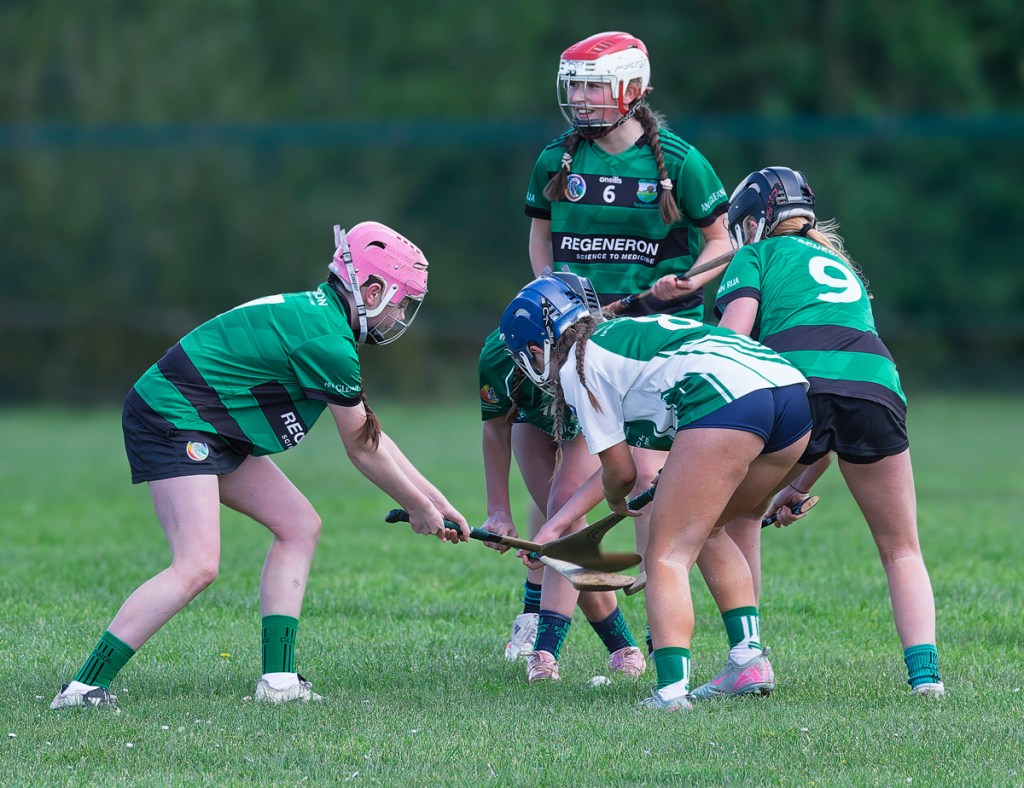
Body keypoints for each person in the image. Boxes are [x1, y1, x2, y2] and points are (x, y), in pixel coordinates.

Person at [49, 221, 470, 709]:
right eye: (400, 302)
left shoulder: (325, 323)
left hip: (211, 422)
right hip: (173, 415)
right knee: (197, 565)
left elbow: (370, 434)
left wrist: (435, 501)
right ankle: (83, 688)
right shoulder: (327, 342)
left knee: (299, 525)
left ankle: (279, 682)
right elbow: (361, 448)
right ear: (373, 291)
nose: (400, 315)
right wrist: (417, 507)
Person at [499, 274, 812, 710]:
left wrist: (616, 500)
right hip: (791, 396)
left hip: (729, 400)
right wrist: (556, 527)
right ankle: (748, 660)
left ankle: (671, 691)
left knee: (667, 553)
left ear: (536, 349)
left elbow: (620, 472)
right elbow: (619, 465)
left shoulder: (579, 367)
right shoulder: (622, 339)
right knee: (709, 528)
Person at [525, 31, 733, 640]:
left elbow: (721, 240)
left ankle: (660, 637)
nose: (580, 99)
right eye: (575, 87)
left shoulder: (681, 161)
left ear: (633, 89)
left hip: (658, 340)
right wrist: (552, 299)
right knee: (567, 489)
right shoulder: (556, 159)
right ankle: (548, 644)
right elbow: (542, 239)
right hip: (586, 340)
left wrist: (687, 280)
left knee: (647, 482)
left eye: (594, 87)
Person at [708, 166, 944, 698]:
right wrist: (797, 485)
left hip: (798, 384)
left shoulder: (754, 255)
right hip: (877, 384)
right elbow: (840, 401)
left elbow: (730, 343)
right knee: (901, 548)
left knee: (736, 516)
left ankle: (748, 657)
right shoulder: (840, 264)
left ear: (754, 221)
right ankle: (926, 680)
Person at [479, 271, 645, 680]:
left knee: (562, 511)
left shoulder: (596, 349)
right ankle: (622, 646)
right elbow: (495, 429)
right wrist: (498, 510)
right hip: (532, 419)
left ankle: (545, 652)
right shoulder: (499, 356)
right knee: (566, 527)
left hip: (586, 424)